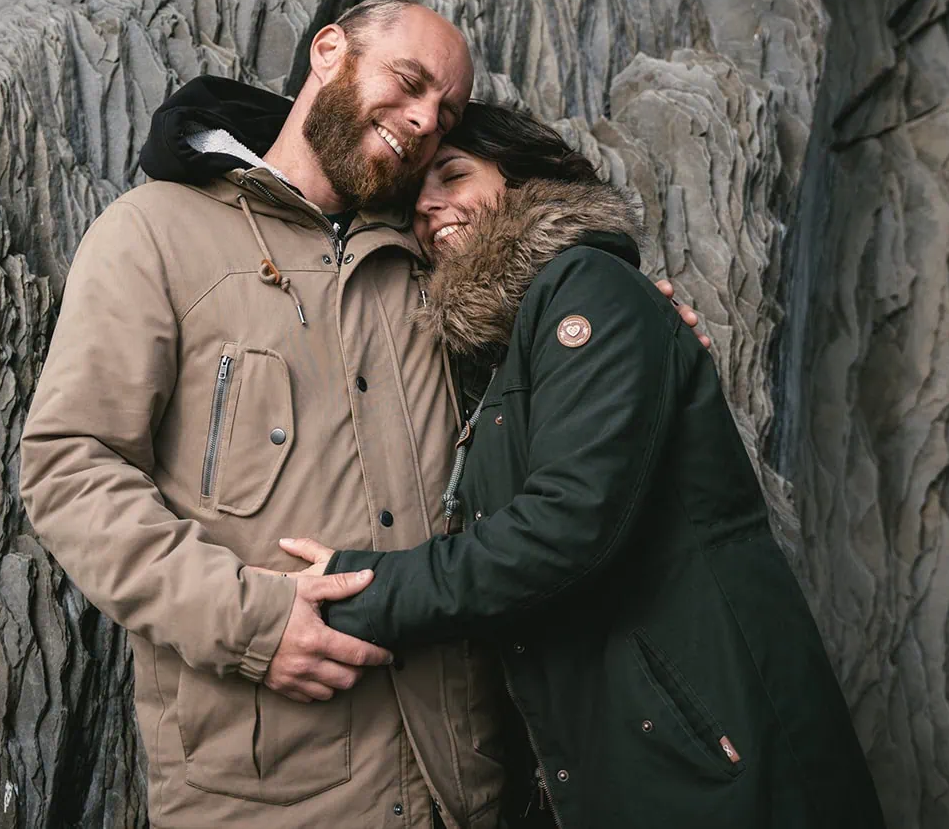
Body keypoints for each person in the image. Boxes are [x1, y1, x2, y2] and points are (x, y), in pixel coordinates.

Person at [275, 102, 888, 828]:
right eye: (414, 196)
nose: (429, 206)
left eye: (454, 174)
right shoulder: (507, 355)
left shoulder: (587, 287)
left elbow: (566, 526)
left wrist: (357, 591)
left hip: (716, 748)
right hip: (641, 749)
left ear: (528, 180)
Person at [22, 0, 502, 829]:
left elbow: (543, 374)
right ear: (329, 50)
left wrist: (628, 318)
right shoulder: (152, 235)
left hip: (459, 781)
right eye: (410, 81)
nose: (426, 120)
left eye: (447, 114)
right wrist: (251, 623)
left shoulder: (431, 257)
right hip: (271, 793)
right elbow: (70, 468)